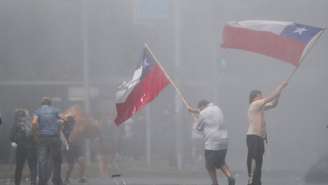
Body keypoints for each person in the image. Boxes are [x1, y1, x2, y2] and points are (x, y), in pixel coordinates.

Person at [246, 81, 288, 185]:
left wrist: (279, 94)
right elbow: (270, 98)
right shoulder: (254, 104)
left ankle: (257, 182)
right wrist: (280, 87)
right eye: (260, 95)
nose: (262, 97)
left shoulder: (261, 107)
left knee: (259, 160)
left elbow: (273, 104)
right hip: (253, 136)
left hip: (260, 137)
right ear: (254, 97)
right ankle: (251, 181)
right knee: (254, 160)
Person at [188, 100, 235, 185]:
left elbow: (198, 128)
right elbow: (205, 113)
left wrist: (195, 119)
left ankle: (215, 183)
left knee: (209, 165)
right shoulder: (217, 108)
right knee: (221, 162)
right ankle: (230, 176)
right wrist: (194, 110)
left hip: (212, 143)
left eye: (200, 108)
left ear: (202, 106)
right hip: (223, 141)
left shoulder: (203, 113)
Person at [32, 97, 67, 185]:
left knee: (42, 160)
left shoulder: (38, 111)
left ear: (42, 103)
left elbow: (34, 123)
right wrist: (58, 126)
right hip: (54, 138)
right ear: (50, 103)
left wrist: (35, 135)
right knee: (57, 160)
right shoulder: (56, 110)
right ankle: (57, 180)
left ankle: (42, 182)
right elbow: (63, 120)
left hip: (43, 137)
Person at [10, 109, 37, 185]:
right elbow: (11, 136)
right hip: (22, 148)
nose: (22, 118)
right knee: (20, 167)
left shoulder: (30, 124)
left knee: (31, 167)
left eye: (23, 116)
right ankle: (17, 182)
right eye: (20, 116)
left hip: (30, 148)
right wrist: (16, 139)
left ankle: (33, 182)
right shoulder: (16, 125)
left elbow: (35, 136)